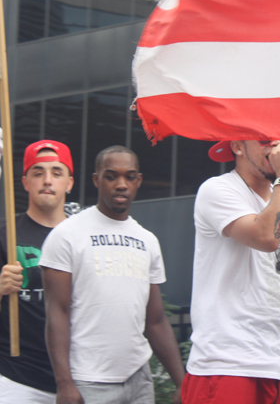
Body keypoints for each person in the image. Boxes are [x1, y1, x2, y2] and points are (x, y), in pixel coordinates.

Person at [40, 145, 185, 404]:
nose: (121, 184)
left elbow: (156, 320)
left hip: (139, 379)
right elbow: (56, 313)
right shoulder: (67, 234)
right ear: (97, 179)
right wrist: (65, 384)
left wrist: (182, 383)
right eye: (111, 176)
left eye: (129, 177)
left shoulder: (147, 240)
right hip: (88, 381)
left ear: (138, 181)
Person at [182, 139, 280, 404]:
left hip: (279, 365)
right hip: (225, 365)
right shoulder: (217, 190)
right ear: (237, 147)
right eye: (263, 140)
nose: (275, 146)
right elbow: (266, 236)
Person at [0, 140, 74, 403]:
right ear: (25, 182)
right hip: (18, 378)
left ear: (69, 183)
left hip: (79, 377)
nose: (47, 180)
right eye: (38, 172)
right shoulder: (5, 234)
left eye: (56, 172)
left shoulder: (83, 236)